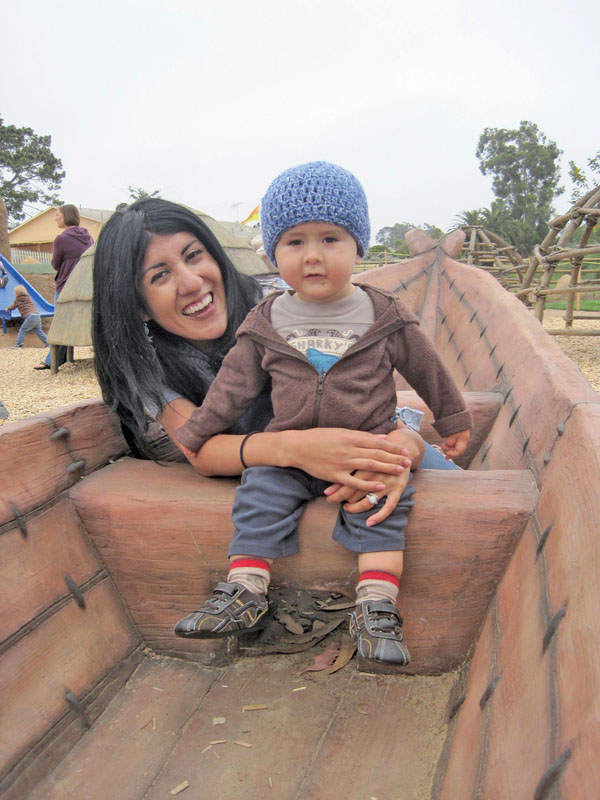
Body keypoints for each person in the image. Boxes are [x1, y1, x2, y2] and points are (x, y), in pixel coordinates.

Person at [174, 162, 472, 670]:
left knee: (382, 508)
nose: (312, 256)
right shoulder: (266, 320)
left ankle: (376, 604)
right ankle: (245, 588)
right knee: (258, 491)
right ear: (274, 253)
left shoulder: (384, 314)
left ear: (358, 246)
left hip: (365, 449)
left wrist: (454, 419)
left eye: (330, 239)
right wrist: (197, 432)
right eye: (294, 243)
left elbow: (428, 369)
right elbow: (232, 386)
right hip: (290, 450)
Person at [34, 204, 93, 370]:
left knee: (60, 322)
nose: (56, 217)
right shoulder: (88, 237)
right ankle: (61, 357)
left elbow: (55, 264)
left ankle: (51, 360)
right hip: (86, 285)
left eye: (58, 215)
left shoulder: (61, 239)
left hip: (66, 284)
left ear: (66, 216)